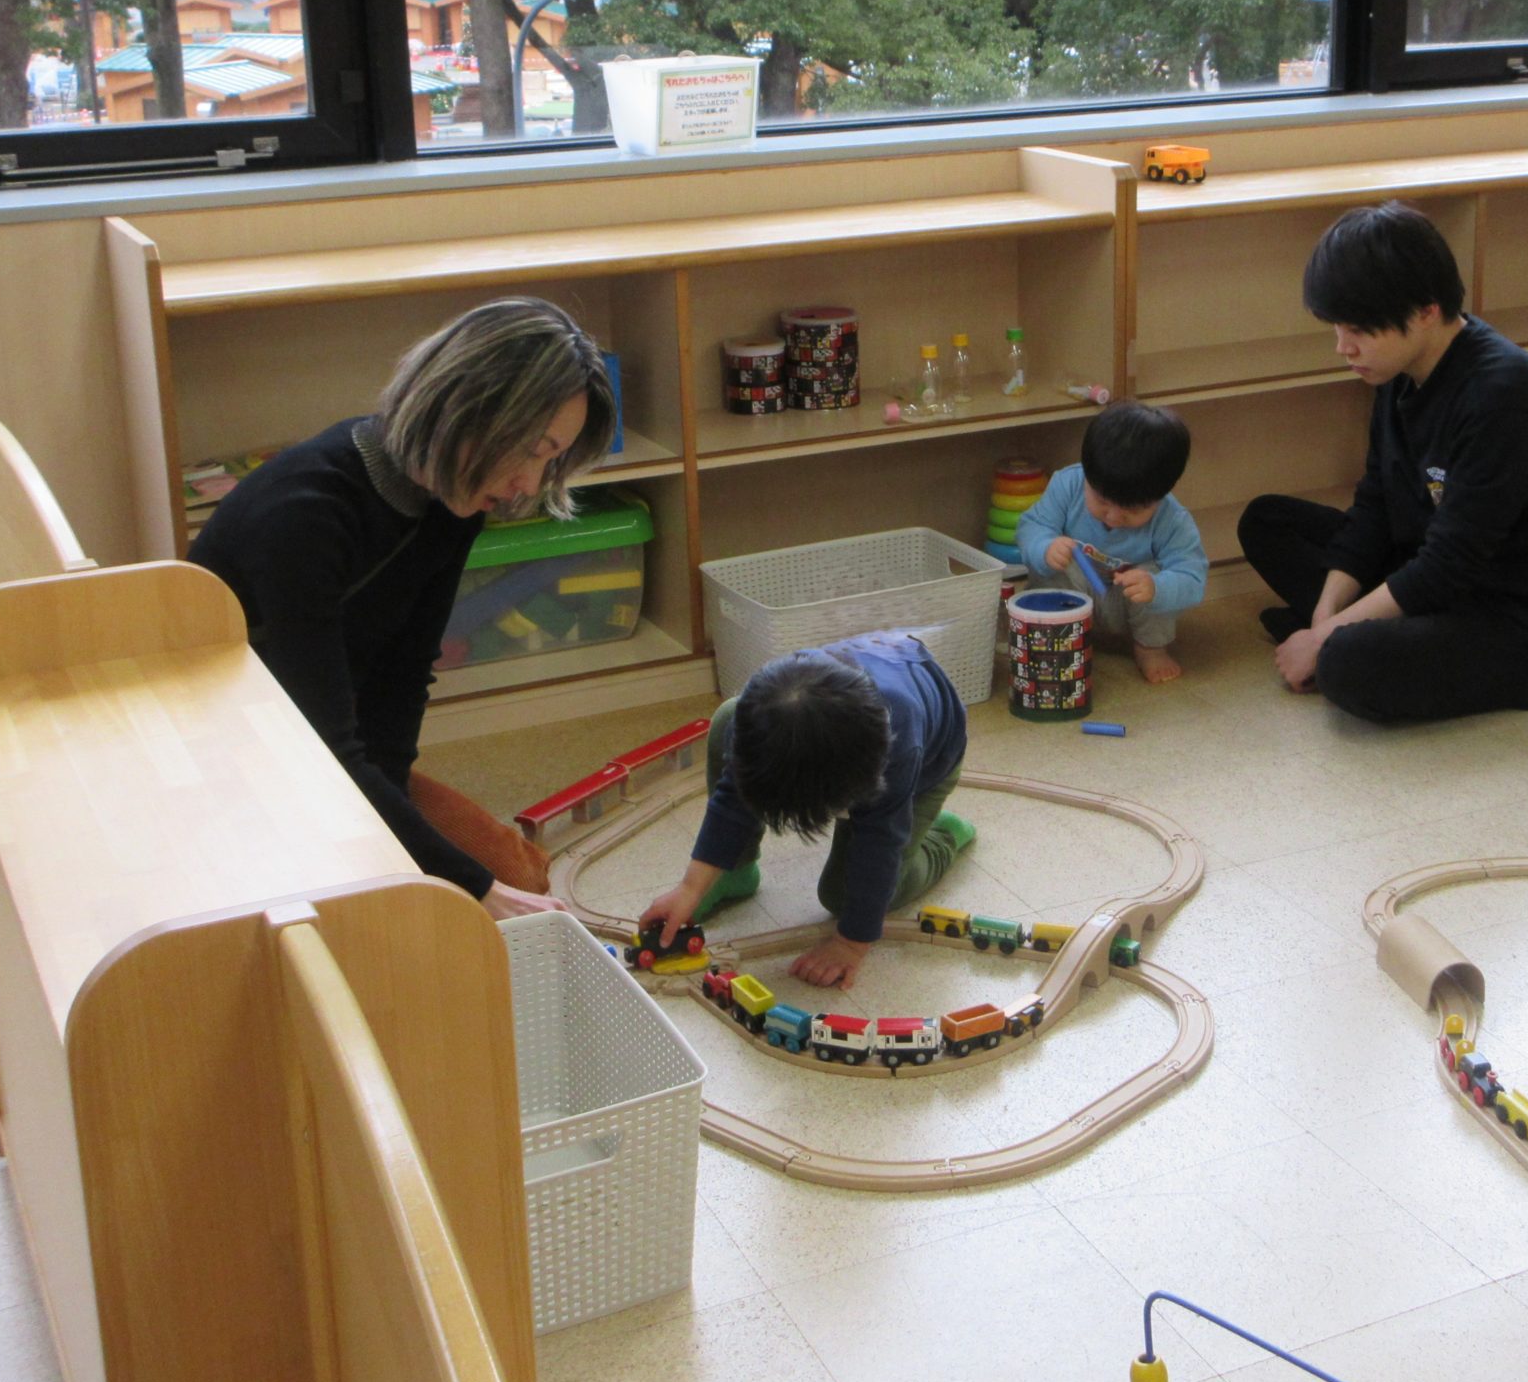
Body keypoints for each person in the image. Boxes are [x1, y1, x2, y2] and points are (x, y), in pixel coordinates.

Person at [190, 297, 615, 919]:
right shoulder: (304, 514)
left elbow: (402, 680)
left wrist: (402, 847)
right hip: (240, 764)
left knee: (513, 875)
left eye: (550, 461)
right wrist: (469, 888)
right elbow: (321, 745)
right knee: (475, 894)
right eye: (532, 449)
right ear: (470, 405)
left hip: (326, 754)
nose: (529, 483)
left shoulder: (453, 499)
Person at [1237, 201, 1528, 724]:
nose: (1343, 348)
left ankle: (1356, 642)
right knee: (1267, 521)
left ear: (1425, 311)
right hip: (1432, 569)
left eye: (1359, 330)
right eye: (1337, 328)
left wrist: (1326, 640)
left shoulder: (1502, 398)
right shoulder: (1398, 370)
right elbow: (1375, 504)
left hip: (1520, 620)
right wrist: (1326, 616)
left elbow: (1450, 564)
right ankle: (1357, 631)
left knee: (1349, 665)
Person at [638, 632, 972, 990]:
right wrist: (691, 887)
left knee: (843, 897)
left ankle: (942, 835)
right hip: (858, 725)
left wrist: (852, 943)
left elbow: (880, 845)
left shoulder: (900, 739)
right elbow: (733, 796)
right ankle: (734, 872)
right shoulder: (757, 709)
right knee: (726, 718)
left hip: (926, 768)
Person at [1015, 401, 1209, 682]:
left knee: (1153, 575)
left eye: (1133, 510)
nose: (1114, 517)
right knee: (1057, 564)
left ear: (1161, 495)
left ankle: (1150, 649)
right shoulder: (1068, 484)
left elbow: (1192, 577)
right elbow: (1032, 526)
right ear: (1088, 474)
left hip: (1126, 606)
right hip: (1073, 594)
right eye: (1102, 501)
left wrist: (1157, 587)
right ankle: (1056, 638)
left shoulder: (1172, 519)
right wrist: (1044, 547)